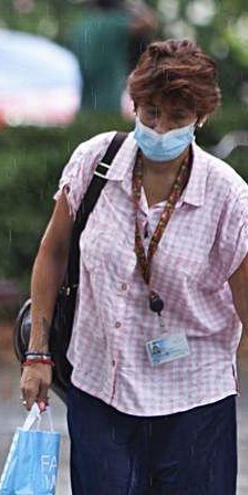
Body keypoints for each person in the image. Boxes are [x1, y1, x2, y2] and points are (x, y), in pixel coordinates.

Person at [20, 40, 246, 494]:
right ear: (135, 105)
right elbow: (53, 254)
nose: (160, 128)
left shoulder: (228, 198)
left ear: (200, 117)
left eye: (177, 117)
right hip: (100, 388)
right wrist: (38, 354)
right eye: (150, 112)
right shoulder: (96, 163)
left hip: (194, 400)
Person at [70, 0, 157, 113]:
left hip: (85, 102)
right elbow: (149, 22)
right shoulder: (116, 23)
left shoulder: (82, 27)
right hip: (110, 101)